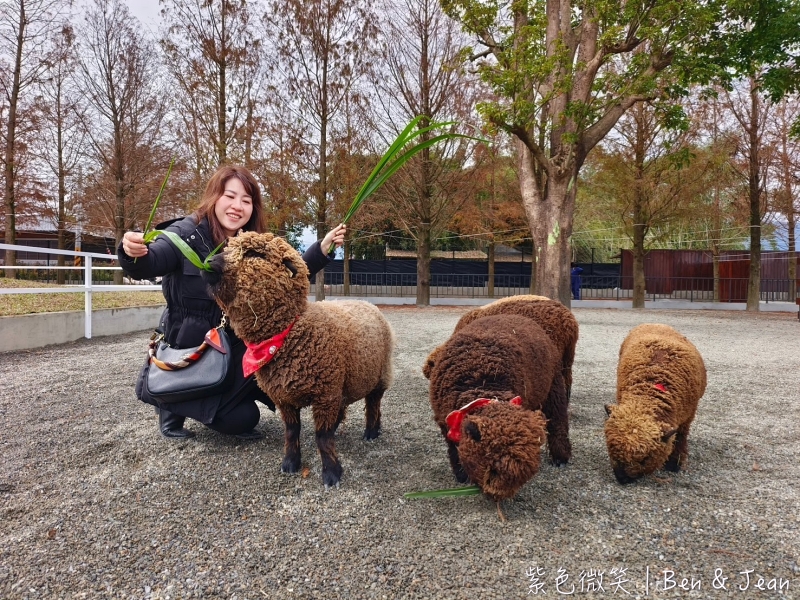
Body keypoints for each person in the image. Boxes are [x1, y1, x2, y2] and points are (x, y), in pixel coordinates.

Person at [118, 165, 346, 440]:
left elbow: (284, 272)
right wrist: (132, 252)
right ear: (214, 196)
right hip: (193, 344)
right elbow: (150, 261)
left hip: (234, 341)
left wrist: (320, 249)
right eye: (230, 196)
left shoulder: (251, 242)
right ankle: (173, 402)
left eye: (246, 200)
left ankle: (204, 400)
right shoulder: (186, 233)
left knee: (270, 385)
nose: (237, 206)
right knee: (243, 418)